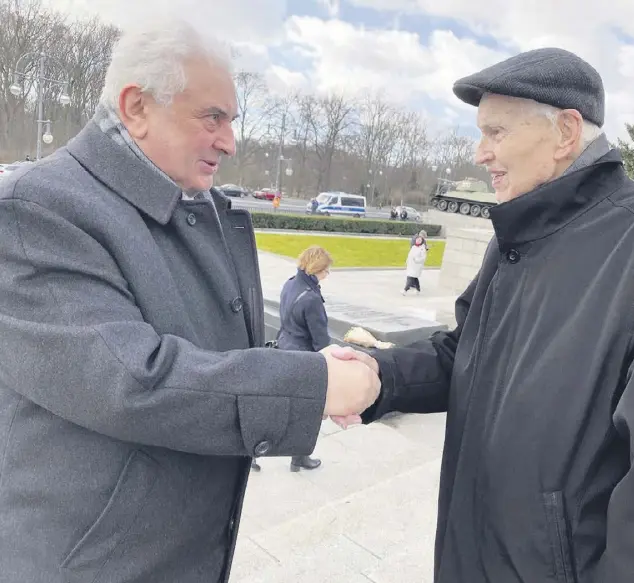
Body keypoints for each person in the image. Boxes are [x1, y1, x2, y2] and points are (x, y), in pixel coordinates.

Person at [0, 18, 379, 583]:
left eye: (231, 120)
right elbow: (129, 381)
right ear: (136, 107)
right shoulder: (34, 209)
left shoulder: (196, 206)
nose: (230, 141)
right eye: (212, 118)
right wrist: (314, 385)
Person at [335, 47, 634, 582]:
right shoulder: (516, 237)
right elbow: (463, 354)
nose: (479, 152)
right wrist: (379, 377)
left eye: (496, 132)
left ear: (565, 132)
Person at [276, 245, 333, 472]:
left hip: (285, 347)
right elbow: (321, 341)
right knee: (307, 412)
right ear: (317, 269)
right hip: (304, 358)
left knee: (284, 407)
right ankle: (299, 458)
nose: (327, 275)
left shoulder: (290, 283)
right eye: (326, 271)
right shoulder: (311, 299)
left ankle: (254, 456)